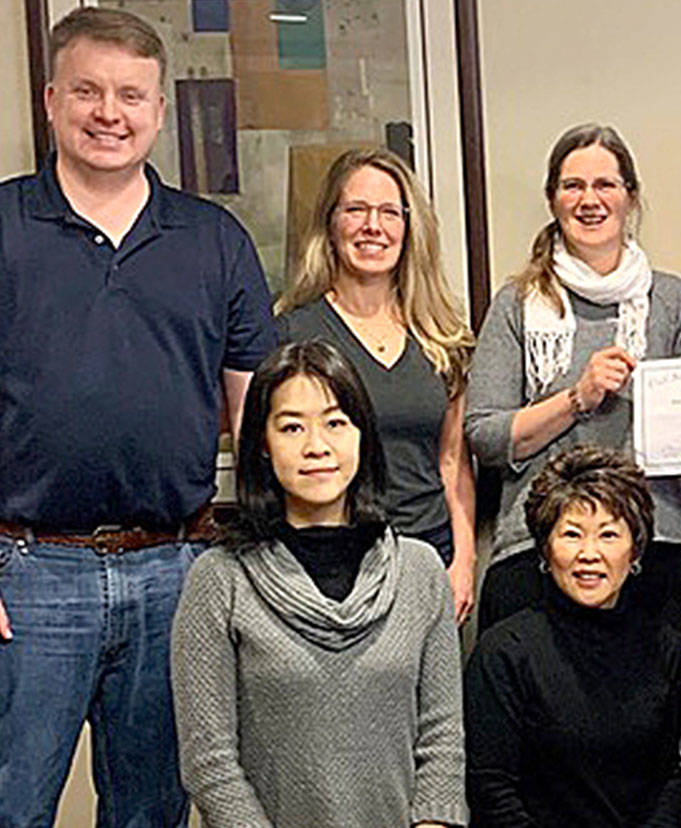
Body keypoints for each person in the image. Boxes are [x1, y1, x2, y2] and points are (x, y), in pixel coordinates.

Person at [0, 7, 276, 824]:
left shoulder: (213, 240)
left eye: (130, 95)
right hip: (26, 571)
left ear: (160, 110)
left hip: (178, 573)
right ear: (51, 100)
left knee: (153, 811)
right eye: (87, 90)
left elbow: (259, 420)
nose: (108, 113)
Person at [171, 340, 466, 827]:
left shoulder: (420, 572)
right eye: (291, 427)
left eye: (335, 422)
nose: (316, 446)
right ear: (263, 445)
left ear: (361, 435)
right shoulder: (219, 580)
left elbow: (442, 741)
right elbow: (210, 762)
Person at [465, 123, 681, 640]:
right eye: (573, 186)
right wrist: (576, 399)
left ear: (630, 197)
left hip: (663, 543)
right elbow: (486, 438)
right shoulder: (516, 304)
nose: (590, 199)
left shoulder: (671, 302)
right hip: (540, 547)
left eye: (605, 185)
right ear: (553, 199)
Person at [277, 147, 477, 622]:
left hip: (429, 555)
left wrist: (464, 562)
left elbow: (452, 462)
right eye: (357, 210)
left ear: (409, 229)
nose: (374, 227)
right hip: (330, 561)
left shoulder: (442, 335)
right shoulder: (294, 333)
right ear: (331, 223)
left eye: (390, 212)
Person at [464, 445, 681, 826]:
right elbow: (491, 786)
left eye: (608, 535)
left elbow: (679, 776)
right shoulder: (503, 652)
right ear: (545, 547)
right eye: (571, 535)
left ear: (635, 550)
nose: (589, 553)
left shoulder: (669, 647)